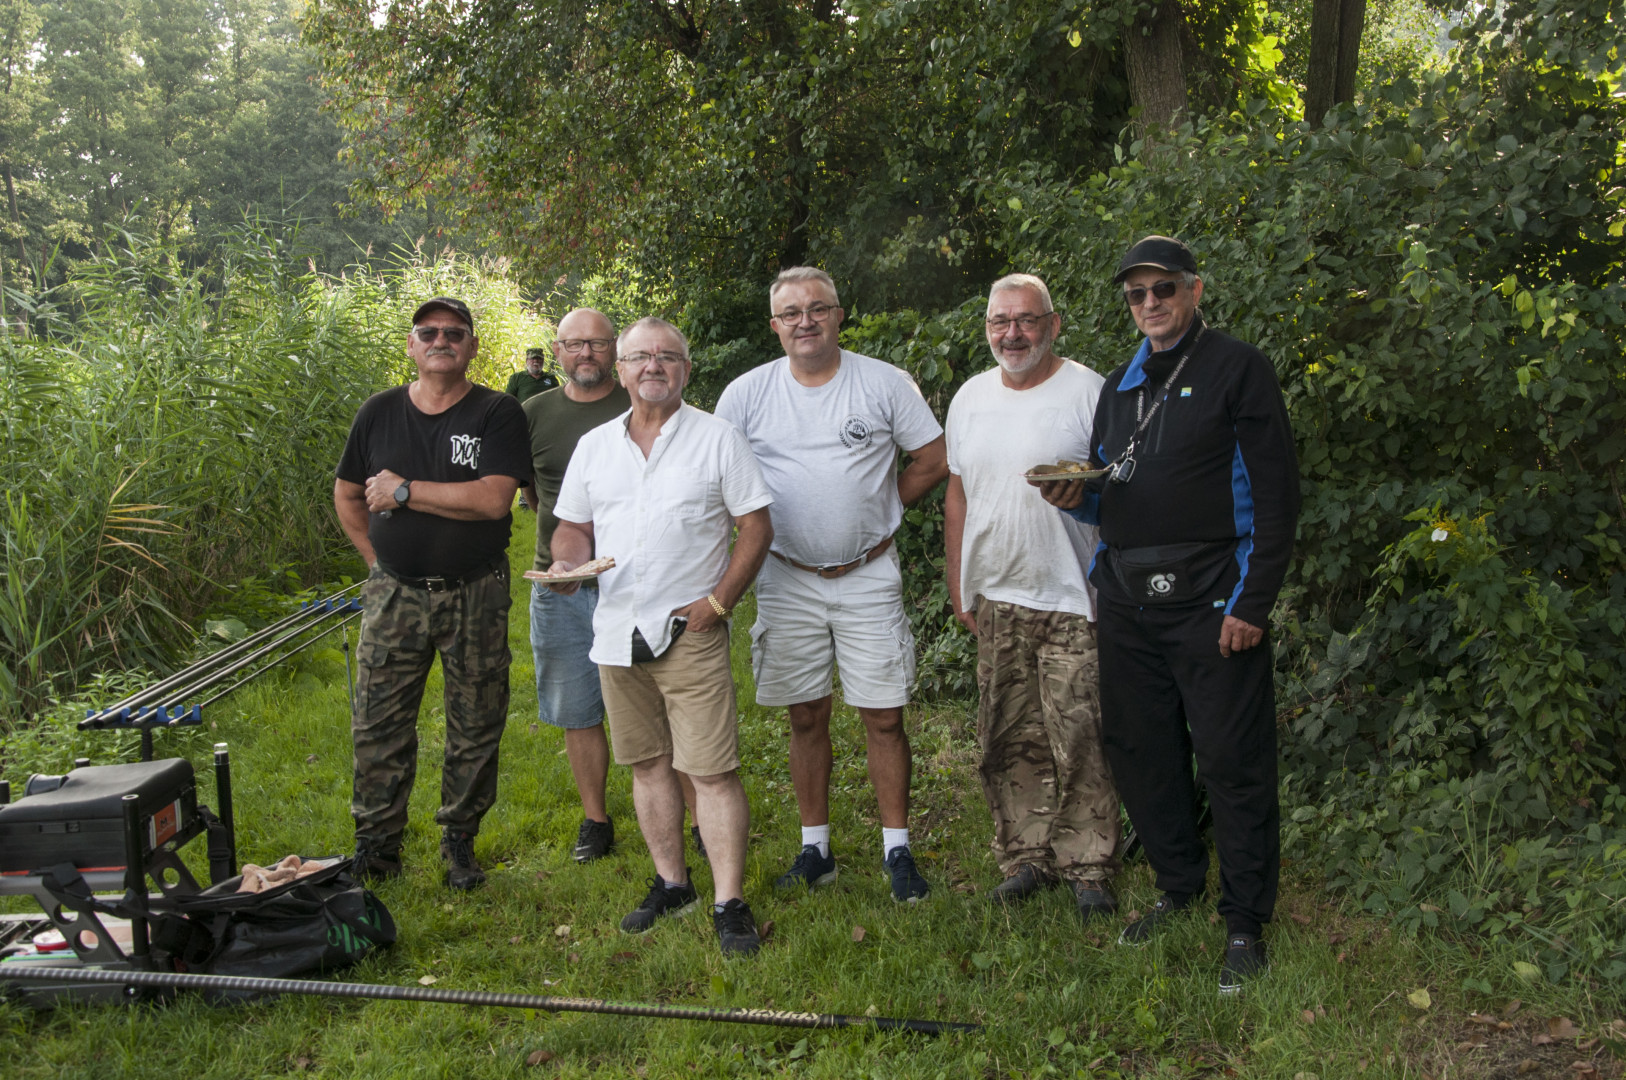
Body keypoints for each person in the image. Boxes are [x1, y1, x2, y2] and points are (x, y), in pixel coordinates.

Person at [1039, 236, 1300, 994]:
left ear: (1194, 290)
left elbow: (1278, 497)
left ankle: (1245, 921)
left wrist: (1253, 601)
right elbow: (1111, 493)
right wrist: (1075, 498)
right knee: (1142, 750)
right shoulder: (1120, 387)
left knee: (1231, 759)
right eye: (1137, 294)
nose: (1150, 303)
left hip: (1214, 598)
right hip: (1127, 599)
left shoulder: (1237, 368)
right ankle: (1178, 885)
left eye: (1164, 289)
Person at [715, 267, 948, 903]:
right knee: (805, 713)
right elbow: (717, 475)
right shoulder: (746, 394)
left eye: (818, 308)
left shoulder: (883, 383)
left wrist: (884, 508)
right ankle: (815, 849)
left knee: (885, 715)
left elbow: (933, 458)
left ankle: (898, 851)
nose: (806, 321)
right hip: (787, 575)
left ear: (839, 315)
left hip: (869, 573)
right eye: (791, 313)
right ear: (774, 325)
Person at [548, 317, 774, 956]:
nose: (654, 366)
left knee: (712, 771)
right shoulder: (595, 446)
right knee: (647, 765)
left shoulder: (718, 439)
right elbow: (573, 527)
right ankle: (674, 884)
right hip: (616, 631)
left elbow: (756, 527)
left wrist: (718, 603)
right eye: (641, 356)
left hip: (688, 631)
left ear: (686, 370)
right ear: (621, 370)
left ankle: (729, 901)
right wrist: (567, 564)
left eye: (667, 356)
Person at [333, 296, 532, 891]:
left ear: (472, 346)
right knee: (378, 722)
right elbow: (347, 494)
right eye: (428, 332)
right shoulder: (378, 412)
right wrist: (377, 562)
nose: (440, 340)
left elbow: (493, 499)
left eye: (454, 332)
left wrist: (403, 492)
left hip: (475, 592)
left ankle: (459, 842)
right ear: (411, 344)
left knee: (476, 721)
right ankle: (377, 846)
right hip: (394, 595)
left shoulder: (497, 412)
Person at [944, 273, 1120, 920]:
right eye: (1000, 321)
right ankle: (1026, 857)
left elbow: (1119, 487)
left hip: (1073, 593)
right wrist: (959, 579)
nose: (1012, 333)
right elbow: (958, 493)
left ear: (1053, 325)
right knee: (1008, 733)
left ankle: (1089, 863)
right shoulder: (969, 398)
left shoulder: (1089, 391)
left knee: (1082, 731)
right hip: (997, 592)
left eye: (1026, 320)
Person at [518, 309, 630, 863]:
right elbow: (530, 491)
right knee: (576, 707)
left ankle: (700, 819)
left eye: (598, 343)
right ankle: (596, 819)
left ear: (615, 350)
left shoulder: (640, 401)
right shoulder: (534, 413)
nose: (586, 353)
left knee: (659, 703)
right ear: (557, 351)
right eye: (574, 343)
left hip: (634, 582)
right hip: (559, 584)